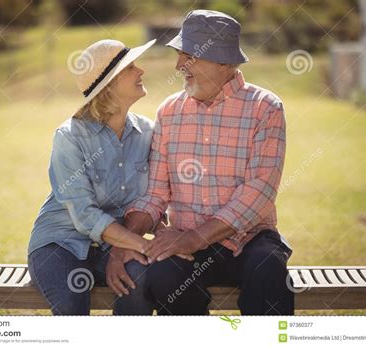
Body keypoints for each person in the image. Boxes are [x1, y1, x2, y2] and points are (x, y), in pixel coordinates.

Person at [125, 10, 295, 315]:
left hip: (249, 240)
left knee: (268, 271)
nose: (178, 65)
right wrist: (129, 237)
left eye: (188, 55)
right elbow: (155, 193)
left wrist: (194, 239)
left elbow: (259, 191)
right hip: (184, 244)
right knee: (163, 276)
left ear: (223, 62)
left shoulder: (265, 108)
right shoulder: (169, 112)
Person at [27, 38, 158, 315]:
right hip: (60, 243)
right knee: (73, 301)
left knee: (138, 280)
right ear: (108, 86)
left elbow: (157, 196)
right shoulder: (70, 137)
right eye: (130, 67)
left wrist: (161, 234)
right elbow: (85, 215)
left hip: (116, 244)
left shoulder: (148, 132)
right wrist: (142, 244)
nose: (141, 71)